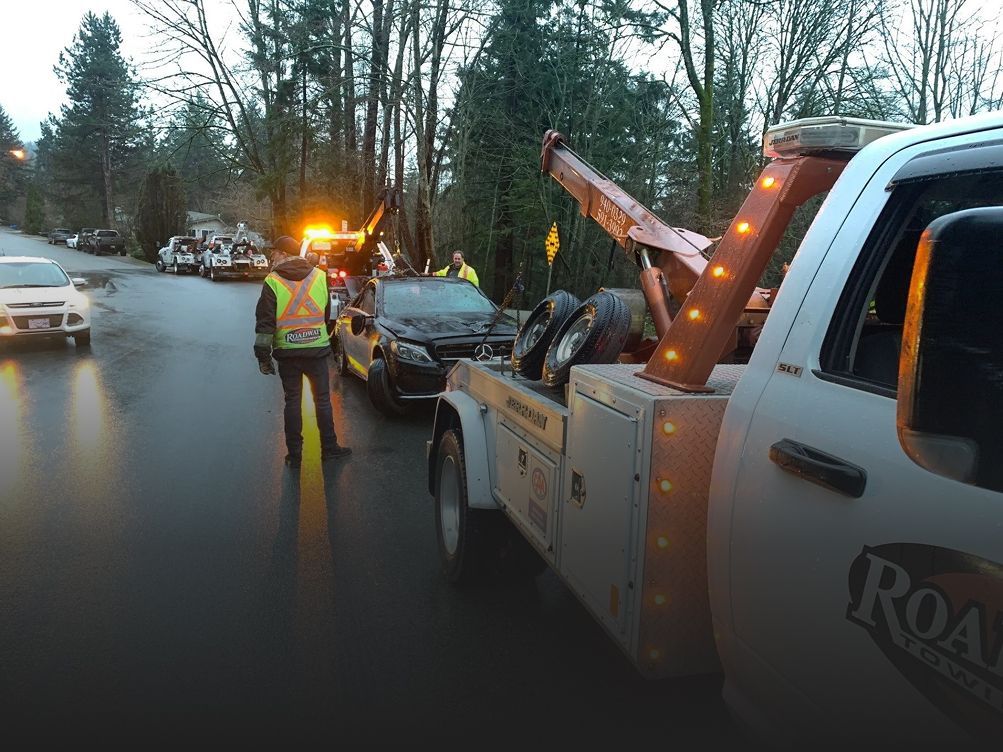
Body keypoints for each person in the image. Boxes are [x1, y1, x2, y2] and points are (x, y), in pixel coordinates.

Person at [254, 235, 351, 469]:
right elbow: (327, 313)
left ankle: (294, 456)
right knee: (323, 401)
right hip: (316, 350)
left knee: (293, 402)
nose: (272, 256)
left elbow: (265, 323)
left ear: (285, 254)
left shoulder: (272, 281)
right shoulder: (319, 276)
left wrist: (263, 356)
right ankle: (329, 449)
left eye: (275, 252)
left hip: (288, 352)